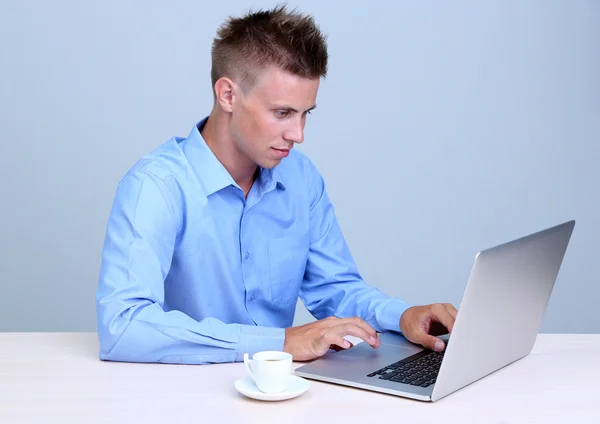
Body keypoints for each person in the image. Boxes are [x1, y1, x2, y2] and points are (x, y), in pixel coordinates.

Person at [95, 4, 457, 365]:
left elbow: (335, 288)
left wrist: (402, 316)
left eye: (305, 114)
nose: (297, 134)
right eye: (282, 113)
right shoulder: (156, 186)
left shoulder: (300, 178)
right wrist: (277, 342)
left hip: (280, 394)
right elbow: (123, 326)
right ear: (228, 95)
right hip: (182, 392)